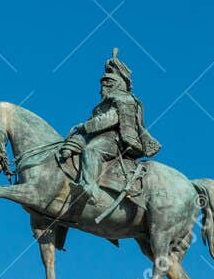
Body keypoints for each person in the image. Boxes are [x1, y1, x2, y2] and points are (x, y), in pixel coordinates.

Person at [63, 49, 161, 202]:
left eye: (107, 84)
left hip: (116, 140)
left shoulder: (124, 99)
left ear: (117, 84)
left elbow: (110, 119)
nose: (103, 89)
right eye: (102, 85)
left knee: (91, 150)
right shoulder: (105, 102)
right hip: (99, 137)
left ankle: (90, 188)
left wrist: (84, 126)